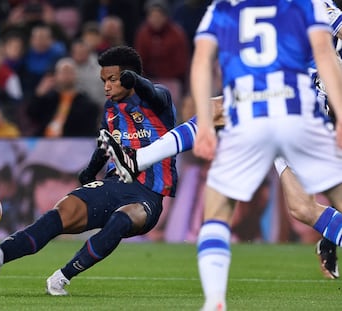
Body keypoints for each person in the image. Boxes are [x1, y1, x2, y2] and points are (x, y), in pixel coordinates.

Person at [101, 0, 342, 281]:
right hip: (270, 93)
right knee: (301, 206)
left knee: (217, 114)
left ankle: (138, 159)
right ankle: (333, 234)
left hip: (299, 99)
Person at [0, 46, 178, 297]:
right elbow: (105, 143)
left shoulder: (159, 99)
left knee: (120, 219)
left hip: (147, 194)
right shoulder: (110, 109)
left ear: (128, 77)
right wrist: (90, 170)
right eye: (103, 80)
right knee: (60, 213)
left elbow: (154, 94)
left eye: (113, 80)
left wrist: (136, 81)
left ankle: (63, 277)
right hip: (114, 184)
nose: (106, 86)